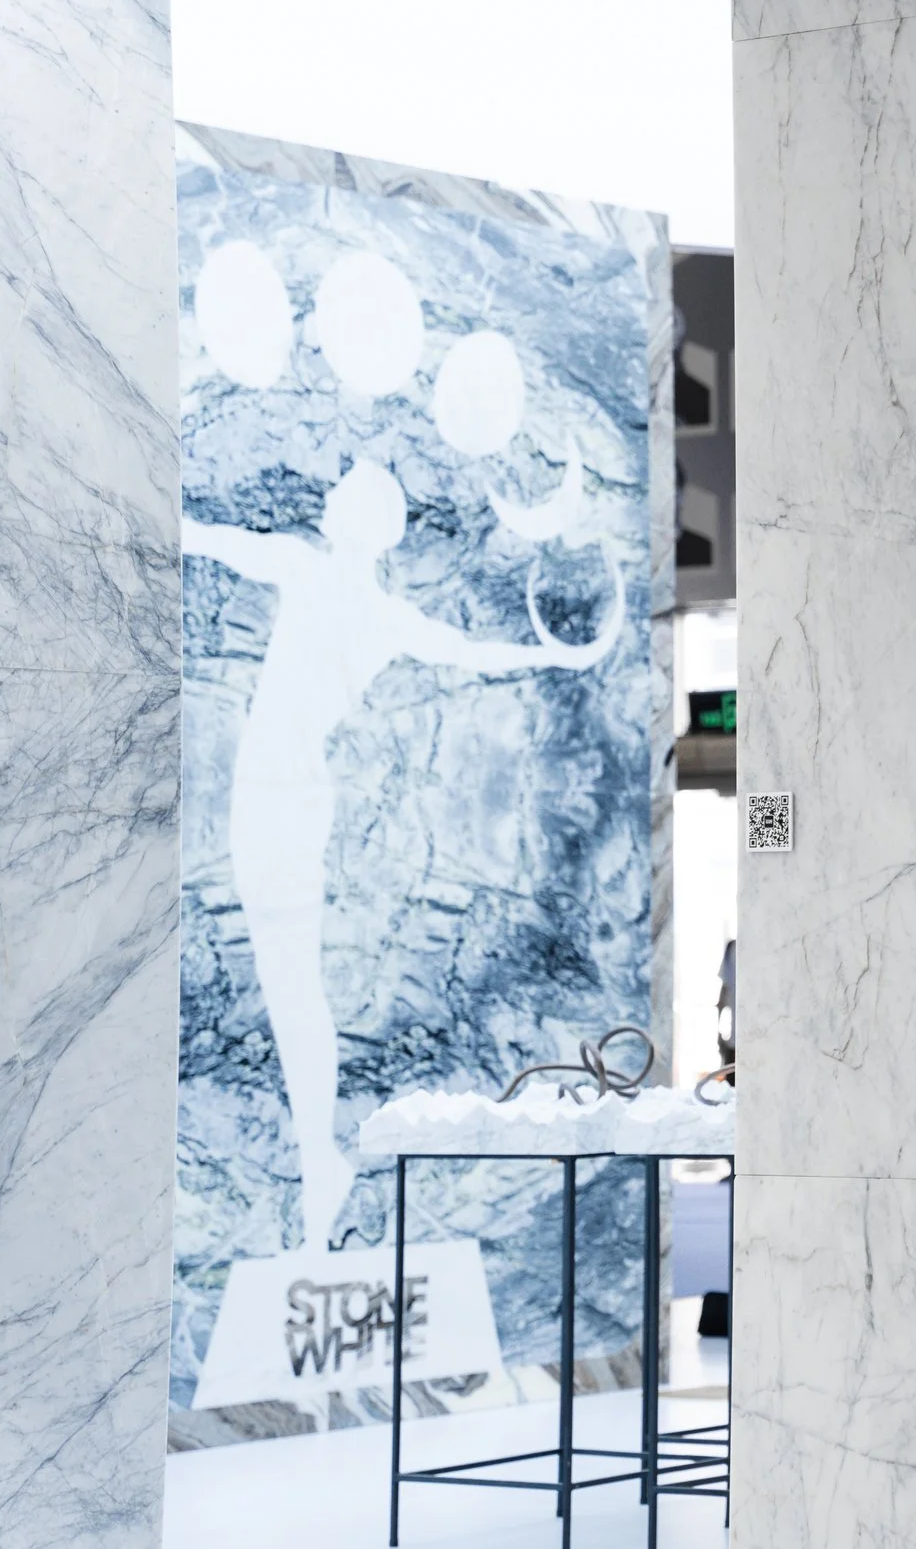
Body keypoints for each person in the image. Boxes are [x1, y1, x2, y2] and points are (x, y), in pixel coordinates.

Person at [185, 459, 620, 1252]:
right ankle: (319, 1158)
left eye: (343, 491)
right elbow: (478, 653)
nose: (331, 498)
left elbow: (202, 537)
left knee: (293, 985)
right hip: (284, 795)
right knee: (294, 986)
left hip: (278, 796)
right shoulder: (374, 609)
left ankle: (319, 1159)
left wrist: (558, 660)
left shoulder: (310, 572)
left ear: (352, 518)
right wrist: (558, 660)